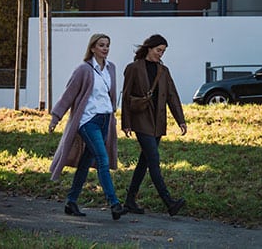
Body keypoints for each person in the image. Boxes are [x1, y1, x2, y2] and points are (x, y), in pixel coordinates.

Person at [48, 33, 126, 220]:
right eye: (101, 45)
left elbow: (110, 96)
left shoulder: (111, 68)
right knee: (102, 158)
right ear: (92, 48)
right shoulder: (83, 69)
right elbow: (69, 95)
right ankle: (114, 203)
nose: (105, 48)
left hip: (105, 120)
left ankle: (71, 201)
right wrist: (55, 117)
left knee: (85, 162)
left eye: (107, 45)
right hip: (88, 121)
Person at [120, 33, 188, 216]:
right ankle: (169, 202)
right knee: (154, 161)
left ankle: (129, 201)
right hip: (141, 120)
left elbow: (172, 96)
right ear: (149, 48)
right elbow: (126, 96)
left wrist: (180, 120)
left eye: (163, 51)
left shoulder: (163, 71)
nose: (161, 54)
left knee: (144, 162)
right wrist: (125, 123)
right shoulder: (133, 68)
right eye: (159, 50)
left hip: (158, 122)